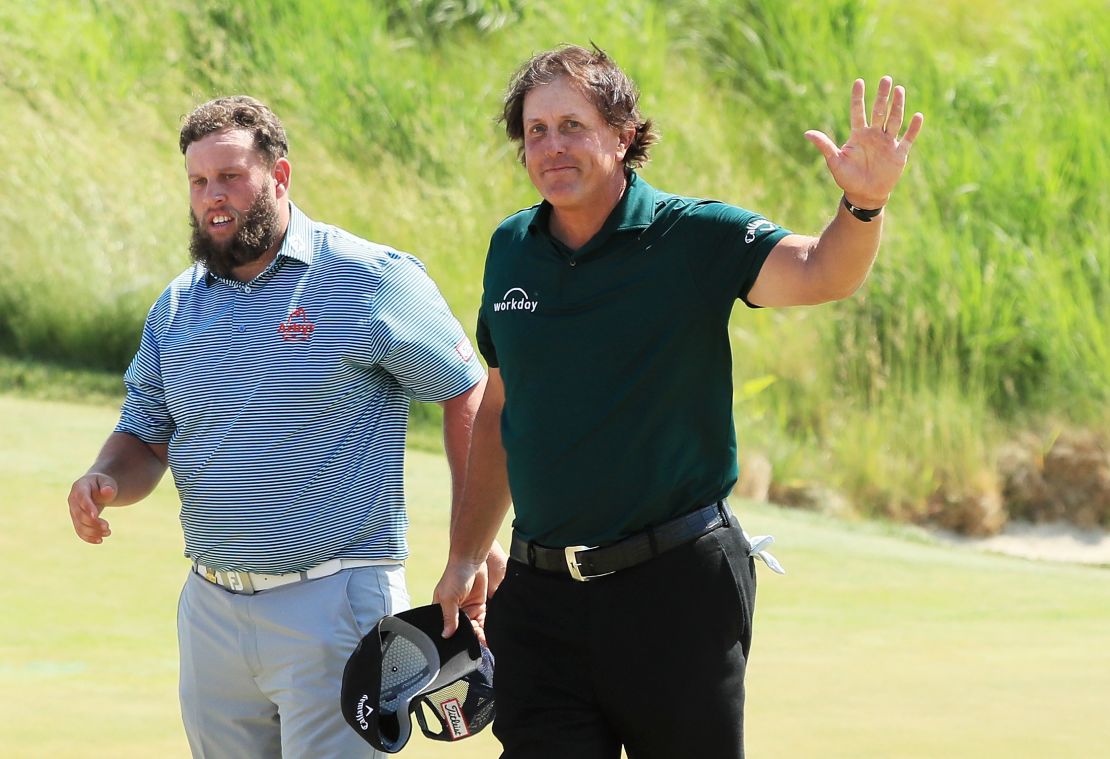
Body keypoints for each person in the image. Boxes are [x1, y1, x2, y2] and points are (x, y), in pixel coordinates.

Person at [433, 44, 924, 758]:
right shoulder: (511, 247)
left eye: (572, 124)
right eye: (536, 131)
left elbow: (822, 271)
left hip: (674, 592)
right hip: (540, 601)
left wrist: (865, 202)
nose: (551, 146)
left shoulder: (693, 235)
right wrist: (466, 552)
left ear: (623, 132)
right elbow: (504, 409)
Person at [66, 95, 499, 758]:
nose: (214, 197)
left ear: (280, 176)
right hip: (210, 610)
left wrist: (471, 545)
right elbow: (146, 434)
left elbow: (466, 391)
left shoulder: (368, 278)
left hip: (336, 606)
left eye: (232, 177)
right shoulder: (177, 305)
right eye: (199, 181)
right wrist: (104, 478)